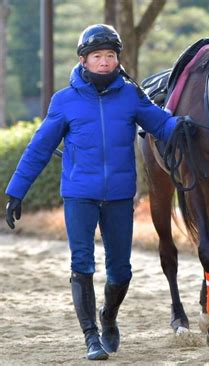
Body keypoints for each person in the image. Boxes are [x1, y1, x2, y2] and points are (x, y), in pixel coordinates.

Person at [4, 24, 186, 360]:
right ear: (84, 61)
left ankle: (108, 318)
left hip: (118, 196)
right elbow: (39, 148)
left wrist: (187, 123)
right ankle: (91, 336)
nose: (105, 62)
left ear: (118, 60)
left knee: (121, 271)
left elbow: (161, 124)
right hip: (79, 196)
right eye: (98, 56)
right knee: (82, 264)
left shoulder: (131, 95)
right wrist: (16, 191)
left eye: (111, 56)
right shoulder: (65, 101)